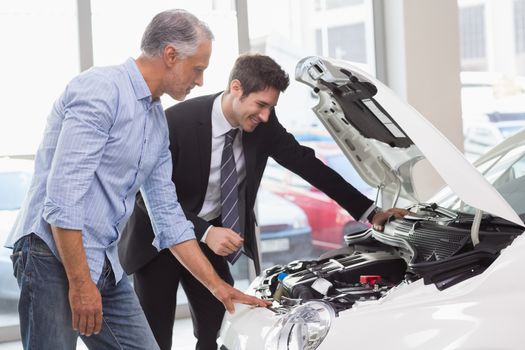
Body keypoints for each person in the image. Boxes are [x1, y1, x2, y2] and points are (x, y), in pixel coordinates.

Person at [5, 10, 268, 350]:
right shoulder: (100, 89)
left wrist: (220, 288)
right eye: (198, 69)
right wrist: (81, 283)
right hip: (51, 254)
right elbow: (64, 197)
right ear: (171, 55)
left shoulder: (156, 121)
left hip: (102, 260)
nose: (201, 81)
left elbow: (168, 217)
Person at [119, 53, 408, 350]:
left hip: (210, 243)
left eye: (271, 107)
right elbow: (146, 196)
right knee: (154, 341)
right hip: (158, 243)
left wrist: (370, 212)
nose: (266, 115)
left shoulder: (263, 126)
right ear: (236, 89)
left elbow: (307, 165)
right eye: (260, 105)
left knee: (219, 325)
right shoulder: (176, 121)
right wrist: (205, 231)